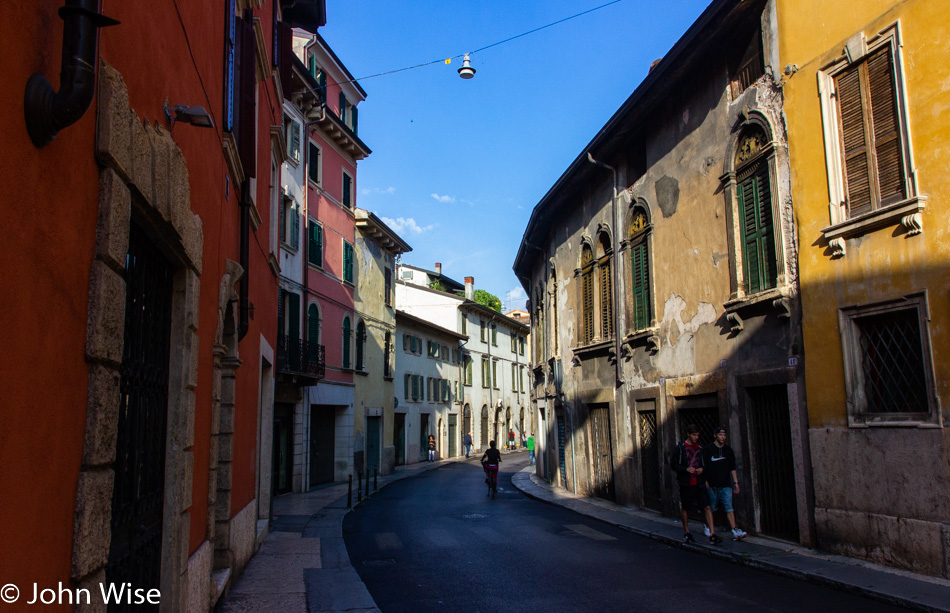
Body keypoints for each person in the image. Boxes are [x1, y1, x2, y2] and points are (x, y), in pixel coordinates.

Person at [671, 424, 721, 544]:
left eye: (698, 435)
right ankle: (686, 532)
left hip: (699, 482)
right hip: (686, 483)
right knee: (686, 507)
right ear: (688, 434)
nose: (696, 437)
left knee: (707, 506)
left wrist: (702, 469)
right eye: (694, 435)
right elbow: (673, 465)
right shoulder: (680, 448)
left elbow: (705, 464)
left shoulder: (701, 447)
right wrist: (686, 469)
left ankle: (712, 534)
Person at [703, 426, 747, 541]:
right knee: (712, 507)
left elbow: (732, 468)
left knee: (729, 507)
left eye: (724, 435)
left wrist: (735, 482)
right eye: (720, 435)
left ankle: (734, 529)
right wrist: (705, 480)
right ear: (715, 435)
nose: (723, 437)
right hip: (712, 484)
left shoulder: (728, 450)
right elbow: (704, 466)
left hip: (726, 484)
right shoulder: (708, 449)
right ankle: (708, 526)